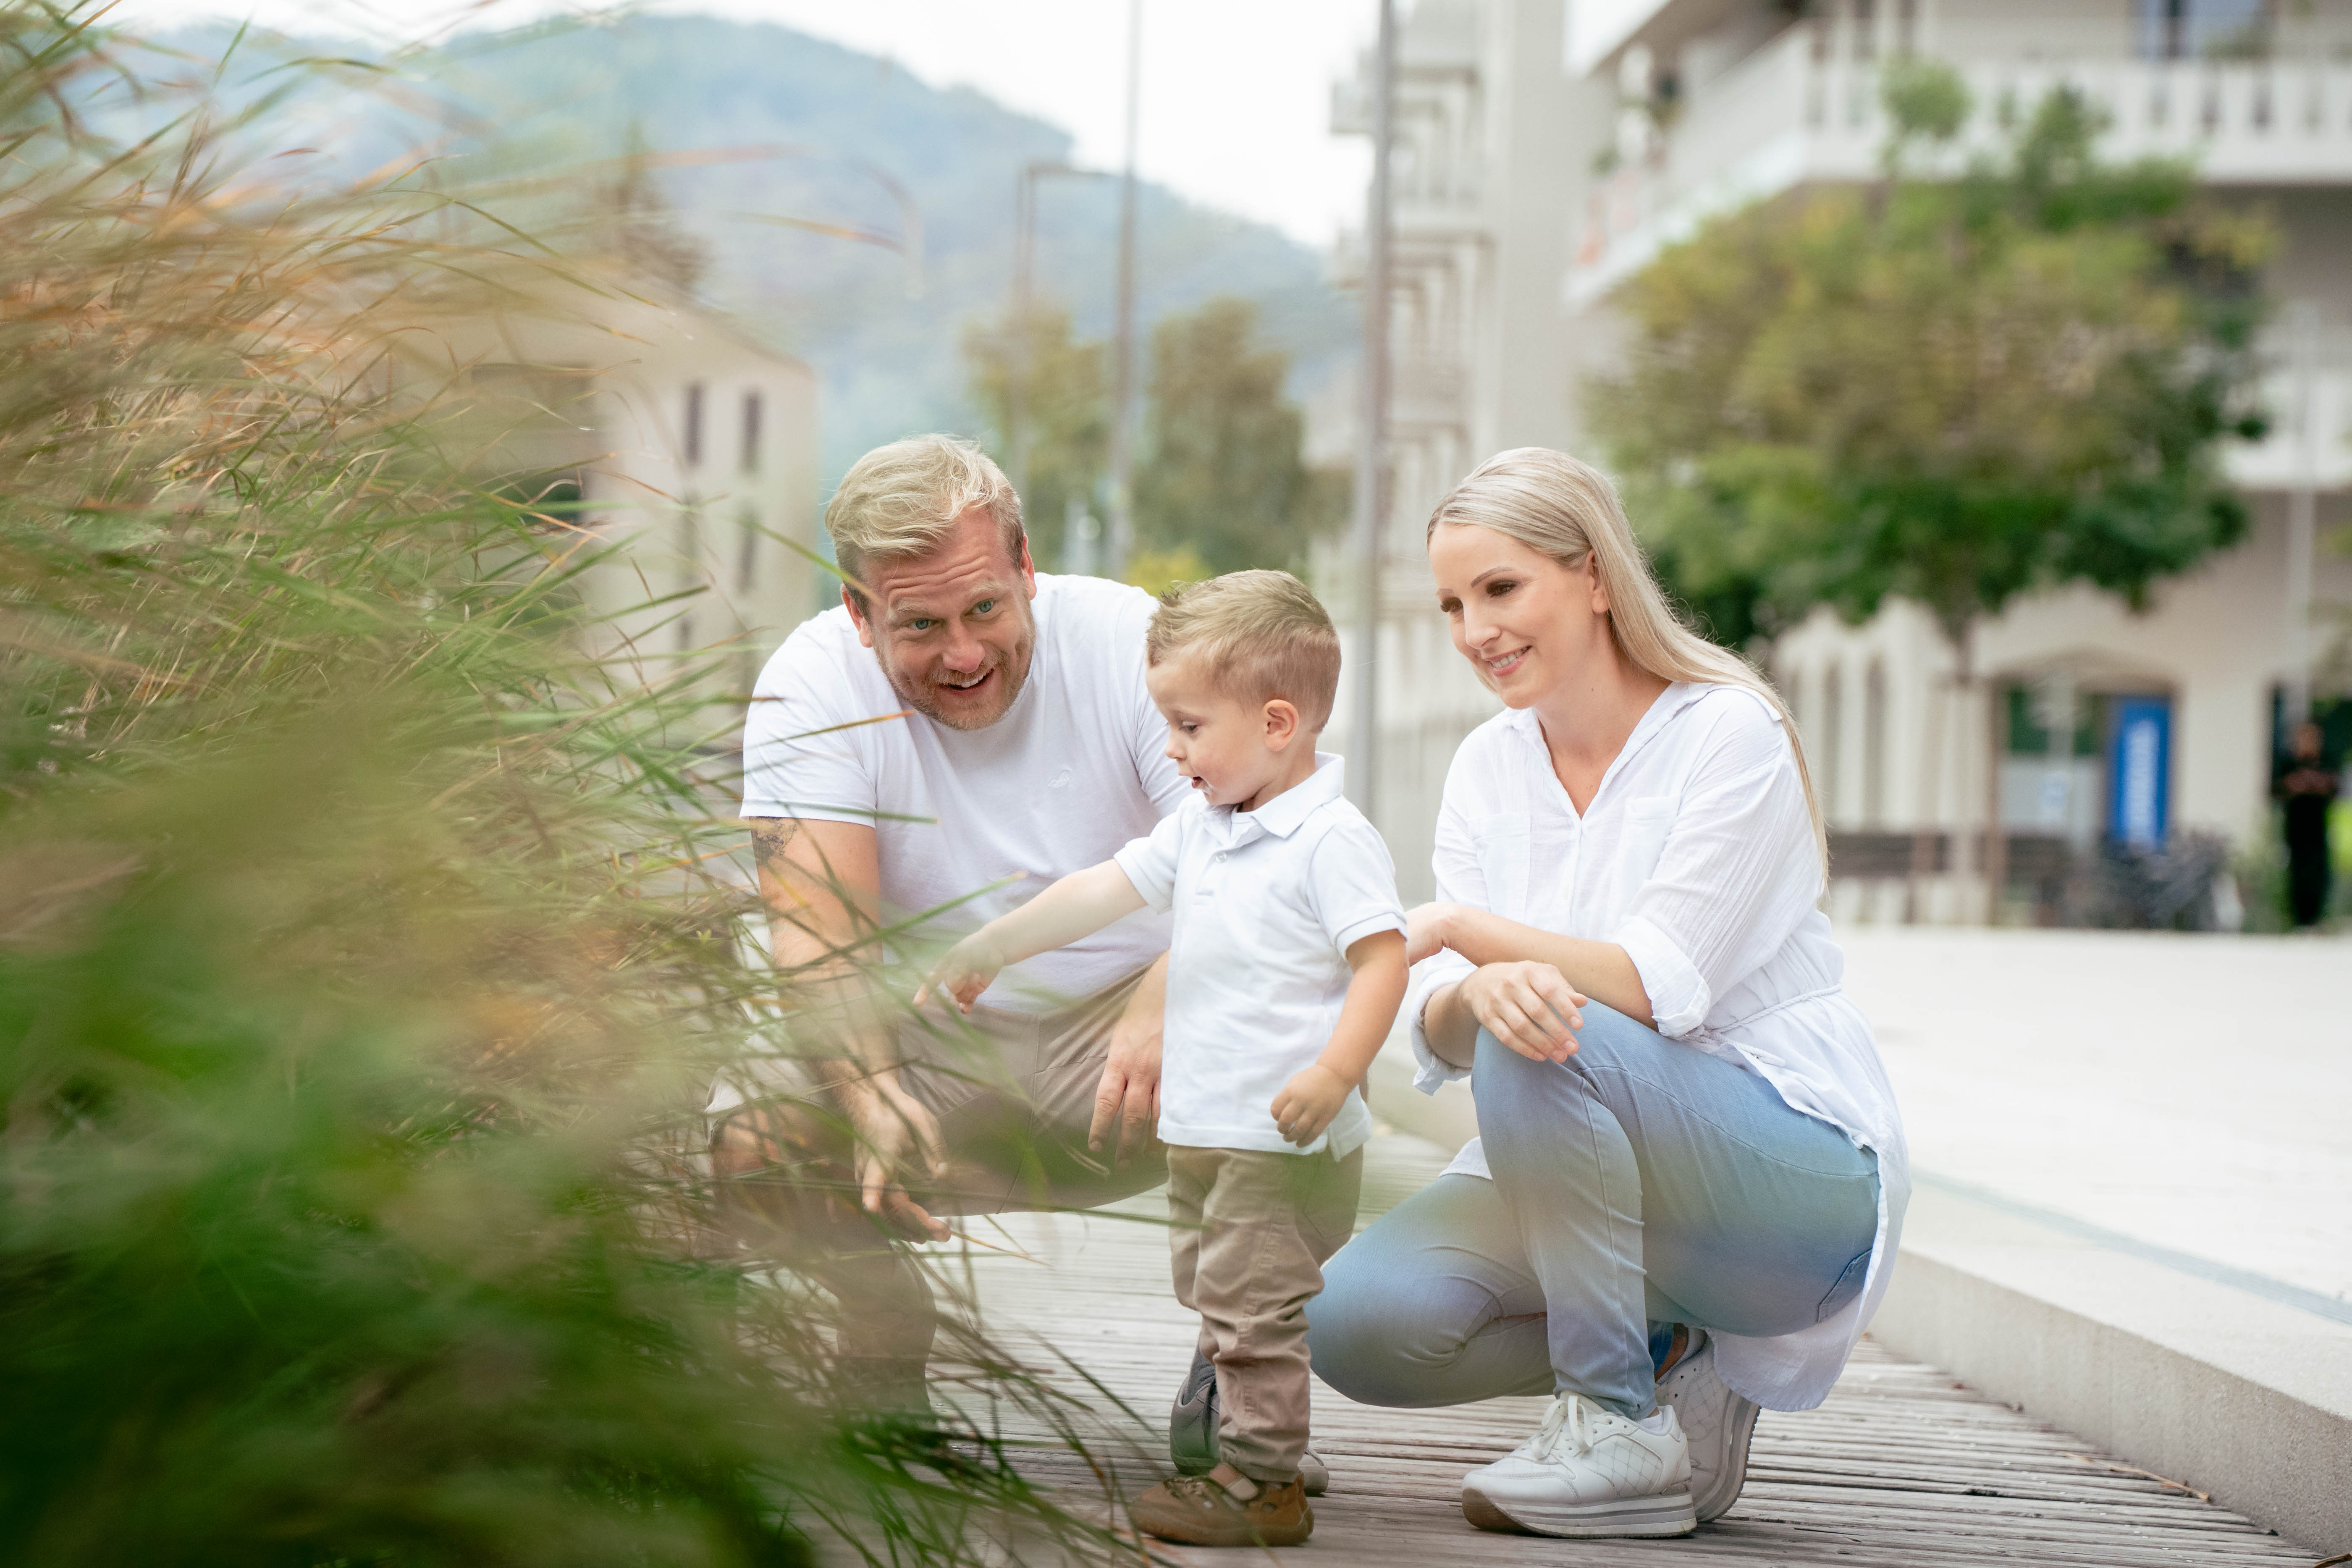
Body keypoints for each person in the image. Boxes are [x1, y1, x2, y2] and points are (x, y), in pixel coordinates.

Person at [1305, 449, 1909, 1541]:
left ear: (1592, 574)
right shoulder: (1487, 766)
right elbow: (1434, 1018)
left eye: (1500, 588)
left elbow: (1651, 985)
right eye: (1451, 603)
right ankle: (1676, 1356)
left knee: (1550, 1023)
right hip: (1578, 1159)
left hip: (1789, 1190)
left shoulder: (1729, 732)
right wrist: (1471, 986)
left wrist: (1460, 934)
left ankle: (1616, 1419)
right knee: (1354, 1321)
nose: (1473, 628)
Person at [923, 571, 1408, 1549]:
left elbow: (1384, 960)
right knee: (1216, 1293)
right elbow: (1105, 887)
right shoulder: (1208, 825)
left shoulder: (1327, 840)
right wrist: (996, 945)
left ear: (1277, 722)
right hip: (1210, 1127)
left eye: (1188, 727)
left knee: (1253, 1306)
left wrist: (1333, 1072)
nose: (1173, 750)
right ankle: (1239, 1436)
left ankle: (1263, 1482)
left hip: (1279, 1135)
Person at [707, 434, 1189, 1410]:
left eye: (985, 609)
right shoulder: (808, 689)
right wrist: (874, 1089)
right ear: (858, 613)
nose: (964, 655)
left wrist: (1167, 995)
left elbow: (1260, 861)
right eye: (919, 624)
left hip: (1127, 1039)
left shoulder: (1136, 644)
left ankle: (1242, 1366)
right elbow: (817, 935)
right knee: (751, 1135)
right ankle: (884, 1342)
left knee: (1291, 1038)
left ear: (1026, 569)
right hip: (931, 1043)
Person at [2279, 720, 2339, 928]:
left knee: (2318, 874)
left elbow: (2333, 788)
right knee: (2298, 874)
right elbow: (2280, 789)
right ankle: (2299, 920)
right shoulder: (2288, 764)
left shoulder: (2327, 762)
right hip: (2296, 830)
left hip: (2318, 830)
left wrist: (2310, 784)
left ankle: (2315, 919)